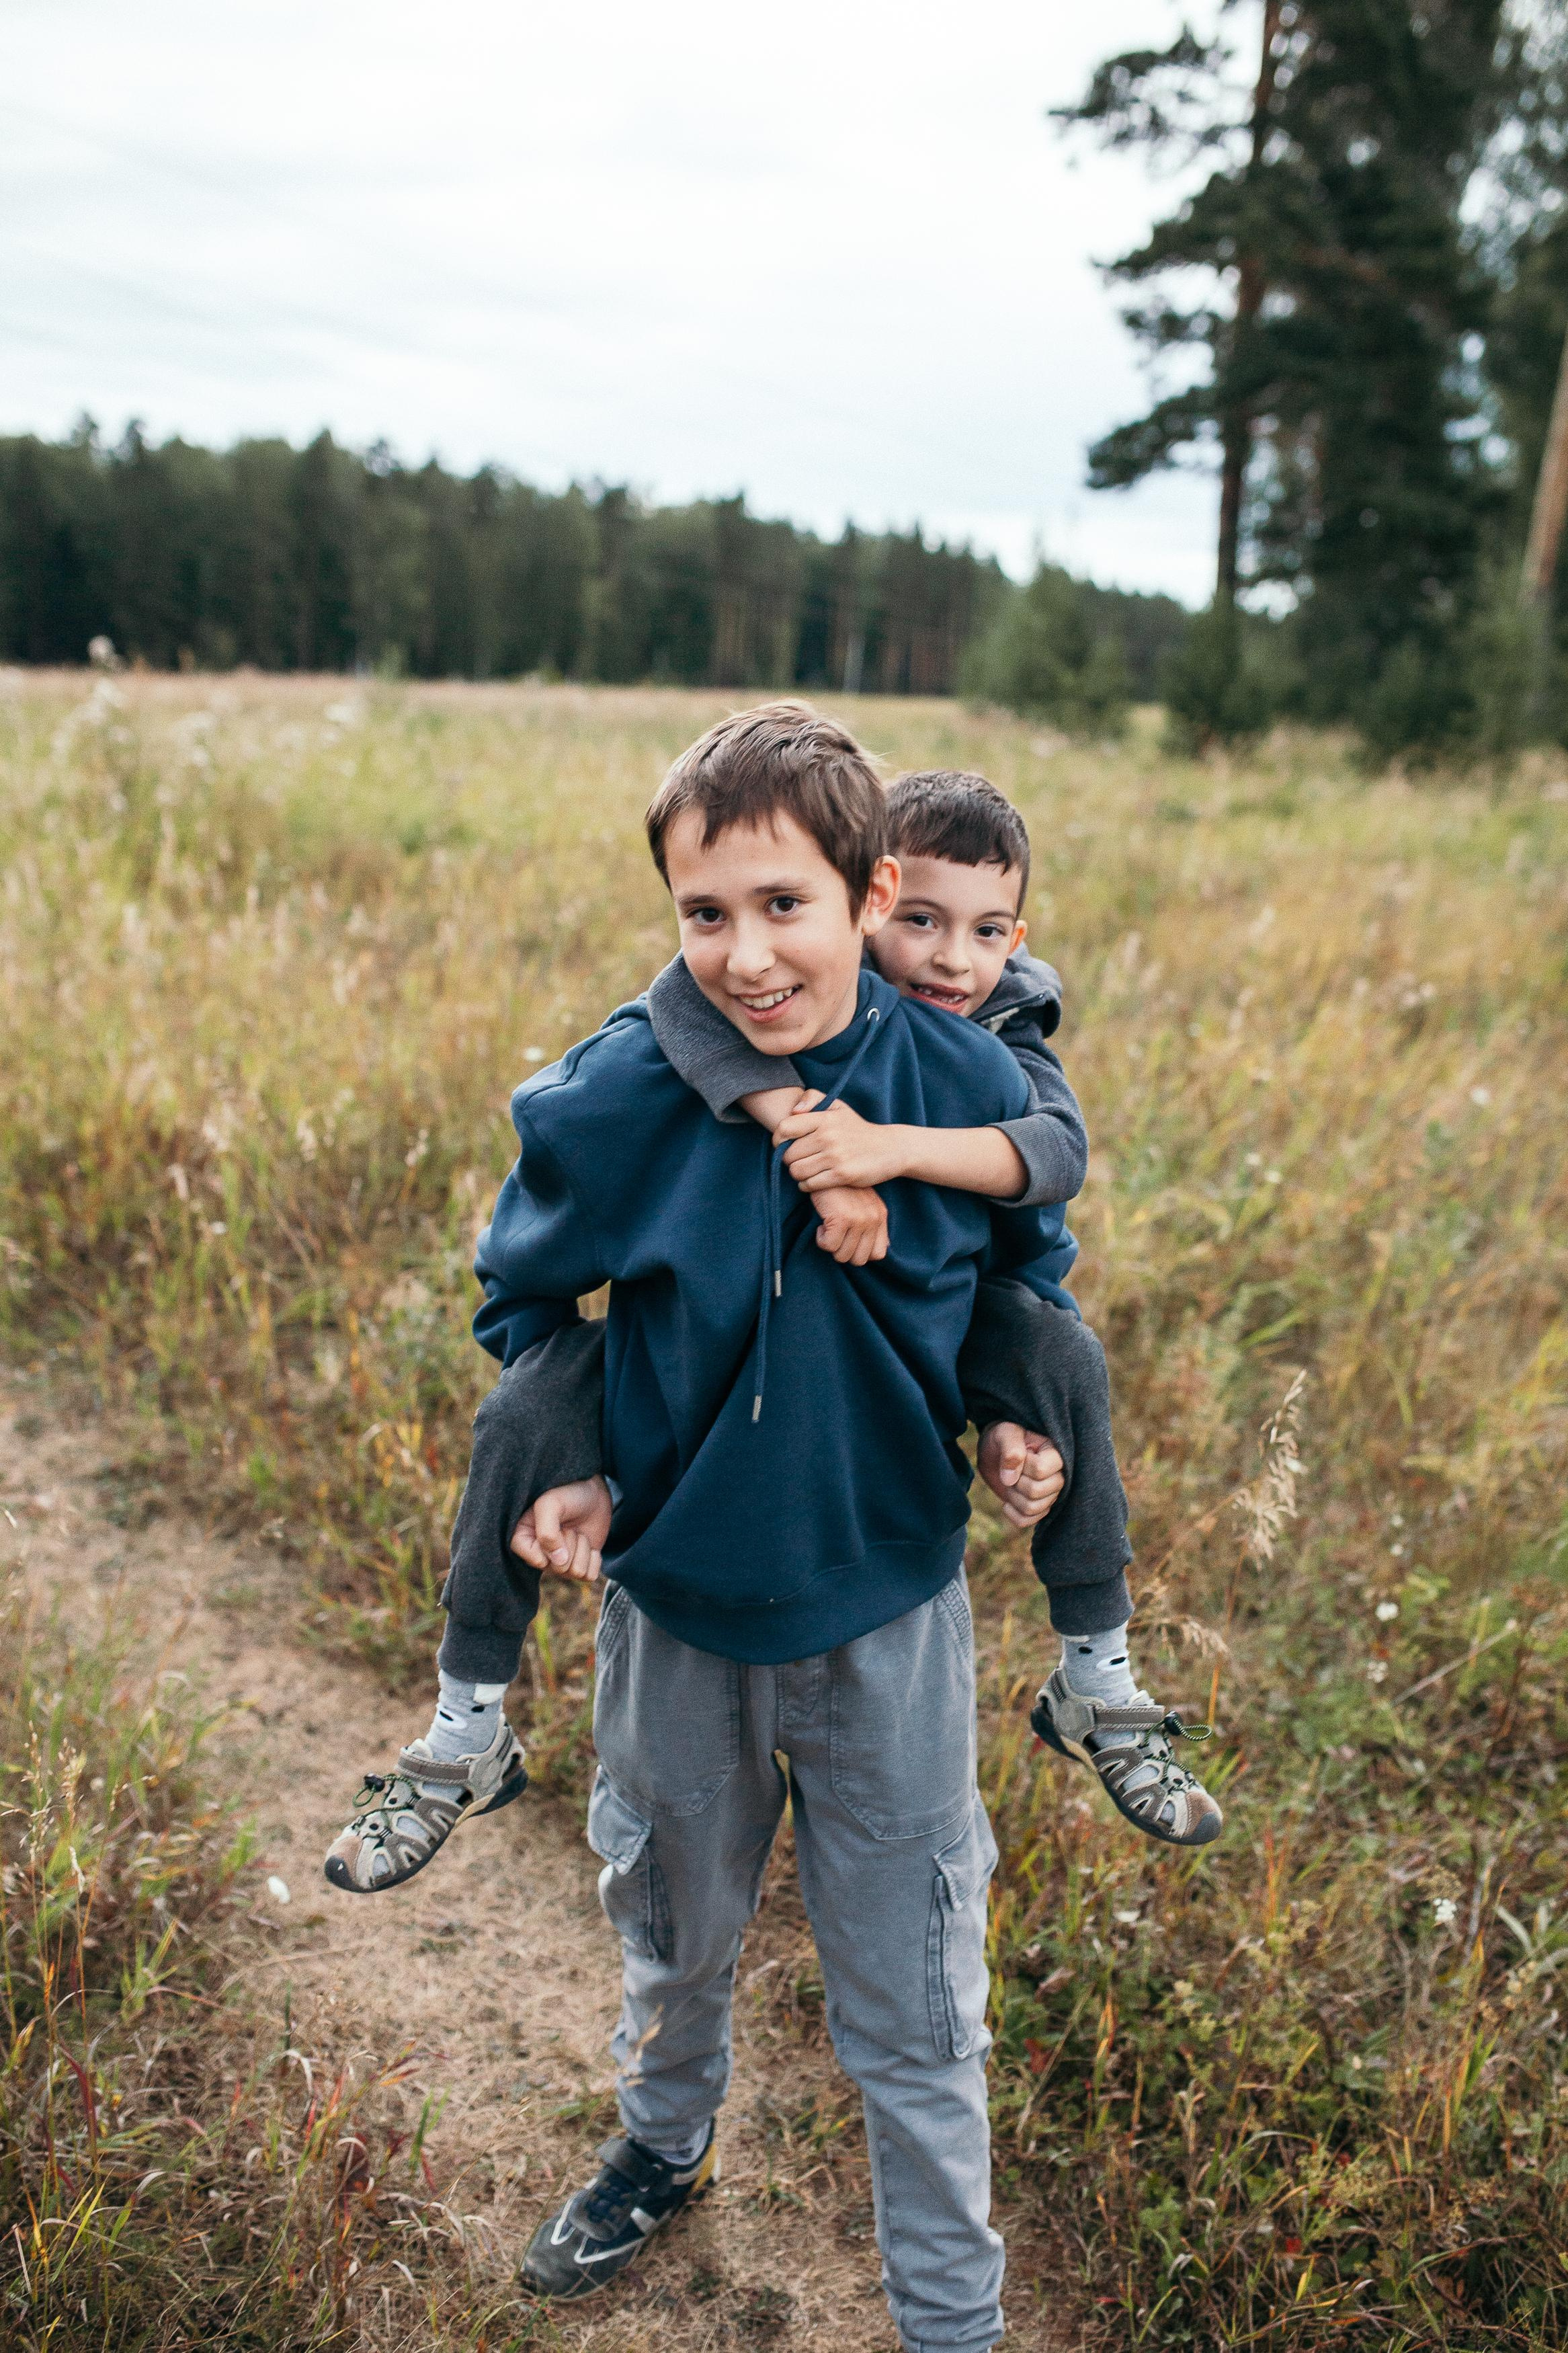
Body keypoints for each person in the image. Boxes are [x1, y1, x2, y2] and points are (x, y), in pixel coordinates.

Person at [331, 703, 1094, 2348]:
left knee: (916, 2005)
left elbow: (1019, 1297)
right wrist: (570, 1463)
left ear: (868, 890)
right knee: (671, 1929)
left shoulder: (956, 1080)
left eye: (786, 905)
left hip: (889, 1614)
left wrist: (1020, 1425)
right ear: (671, 907)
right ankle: (662, 2146)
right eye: (705, 911)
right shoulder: (617, 1092)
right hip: (672, 1612)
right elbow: (526, 1300)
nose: (747, 953)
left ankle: (950, 2318)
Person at [642, 766, 1222, 1849]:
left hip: (977, 1314)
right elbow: (675, 996)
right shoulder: (794, 987)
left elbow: (1057, 1153)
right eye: (921, 922)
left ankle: (1096, 1669)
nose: (951, 959)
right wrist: (800, 1130)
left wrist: (882, 1150)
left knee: (1063, 1358)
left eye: (986, 930)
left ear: (1016, 936)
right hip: (815, 1388)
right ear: (870, 897)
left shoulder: (997, 1025)